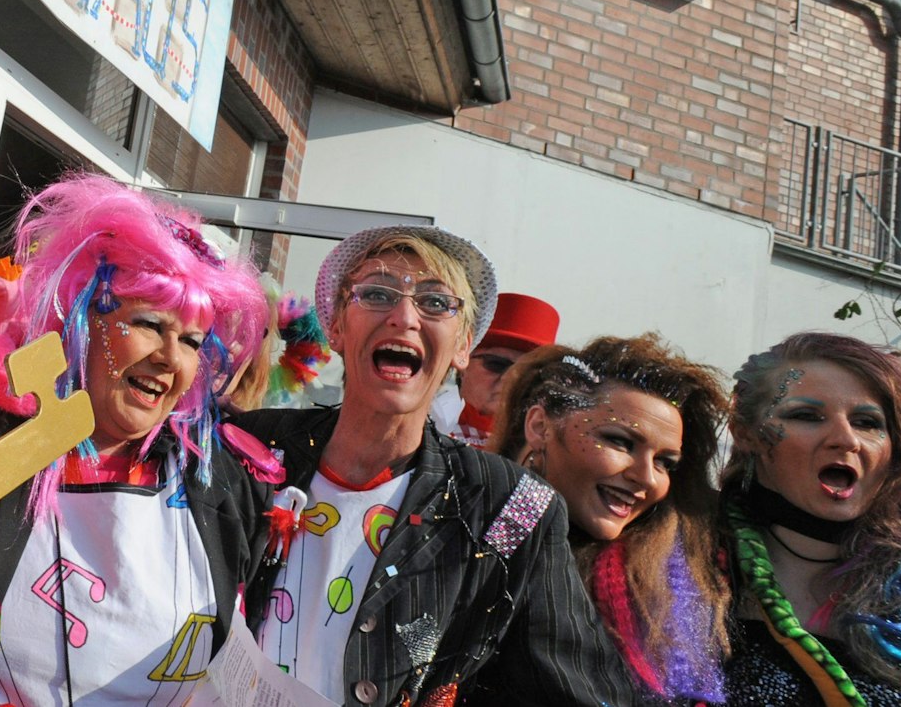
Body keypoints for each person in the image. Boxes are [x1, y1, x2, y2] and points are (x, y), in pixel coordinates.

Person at [234, 226, 638, 706]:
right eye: (377, 293)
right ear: (337, 327)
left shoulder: (508, 506)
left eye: (435, 303)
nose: (404, 317)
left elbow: (574, 692)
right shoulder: (248, 447)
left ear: (464, 346)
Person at [0, 174, 273, 706]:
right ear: (86, 318)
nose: (171, 358)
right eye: (149, 323)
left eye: (193, 341)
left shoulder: (226, 488)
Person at [493, 335, 732, 702]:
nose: (647, 478)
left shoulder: (664, 587)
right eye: (621, 442)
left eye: (665, 463)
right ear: (540, 426)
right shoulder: (469, 528)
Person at [719, 332, 901, 705]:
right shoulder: (678, 564)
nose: (846, 439)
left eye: (867, 422)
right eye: (807, 415)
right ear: (746, 434)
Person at [431, 291, 559, 445]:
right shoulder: (418, 426)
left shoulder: (550, 452)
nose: (509, 378)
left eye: (526, 373)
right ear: (464, 363)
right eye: (496, 364)